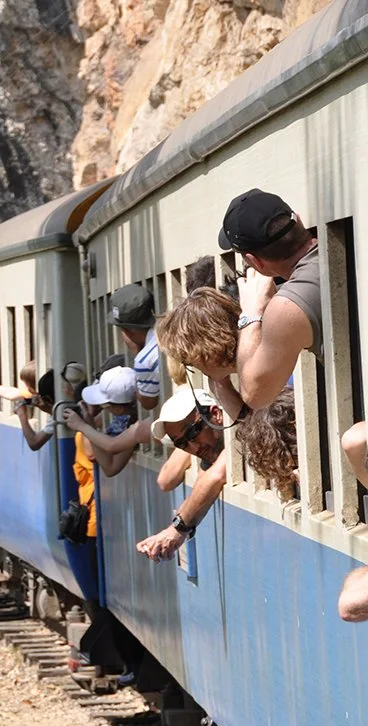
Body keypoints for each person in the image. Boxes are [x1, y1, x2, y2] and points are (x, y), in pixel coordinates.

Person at [217, 189, 320, 408]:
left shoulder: (288, 306)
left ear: (255, 262)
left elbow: (255, 394)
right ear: (298, 220)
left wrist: (251, 313)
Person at [135, 389, 229, 560]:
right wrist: (170, 532)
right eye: (181, 443)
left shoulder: (237, 433)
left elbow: (216, 476)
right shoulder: (211, 451)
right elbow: (202, 485)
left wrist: (177, 530)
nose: (193, 447)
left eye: (192, 433)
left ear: (216, 414)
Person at [62, 367, 139, 476]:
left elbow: (111, 465)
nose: (100, 408)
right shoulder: (130, 418)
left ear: (119, 409)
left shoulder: (136, 424)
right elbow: (109, 467)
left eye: (103, 405)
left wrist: (83, 427)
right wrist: (89, 425)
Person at [108, 283, 161, 410]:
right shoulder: (168, 331)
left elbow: (148, 403)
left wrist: (136, 353)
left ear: (127, 331)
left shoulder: (145, 360)